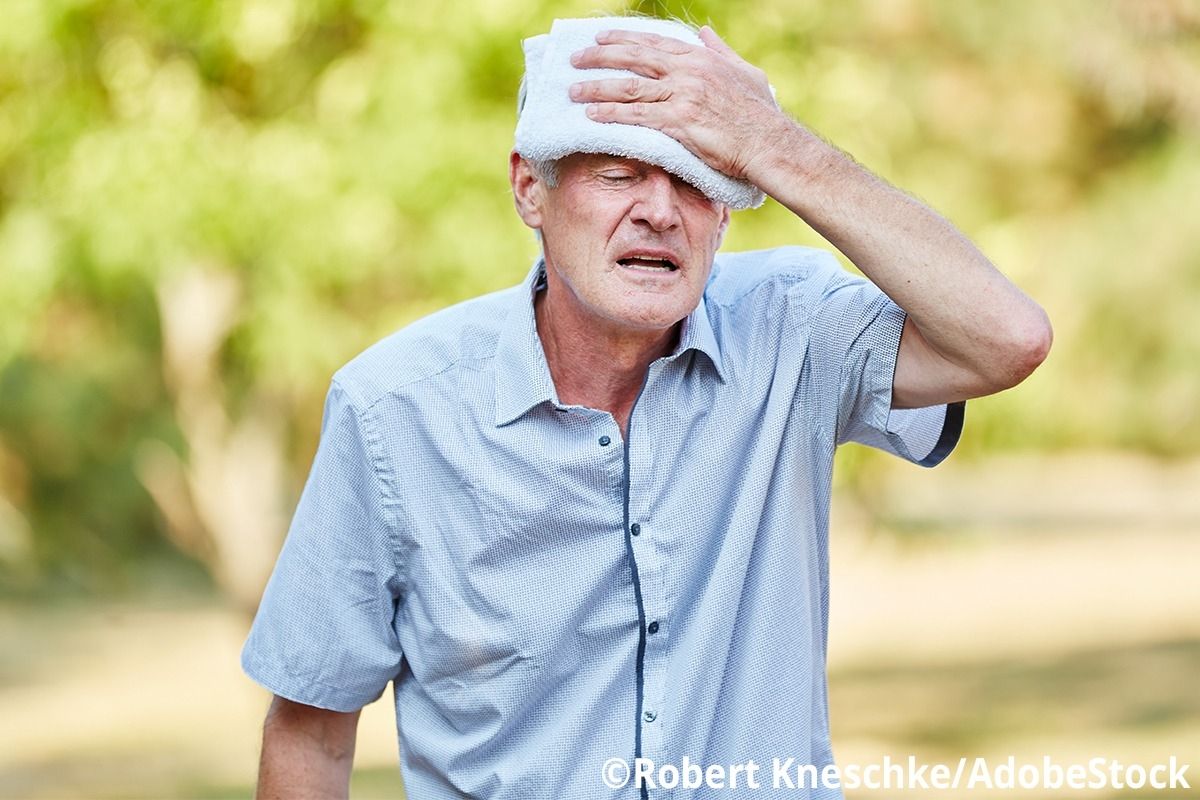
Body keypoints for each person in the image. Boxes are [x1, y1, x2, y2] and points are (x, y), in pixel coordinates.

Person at [241, 16, 1051, 800]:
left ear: (727, 209)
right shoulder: (393, 411)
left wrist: (772, 143)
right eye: (620, 173)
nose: (661, 211)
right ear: (530, 188)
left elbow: (1008, 340)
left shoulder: (794, 331)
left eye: (698, 178)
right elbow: (310, 733)